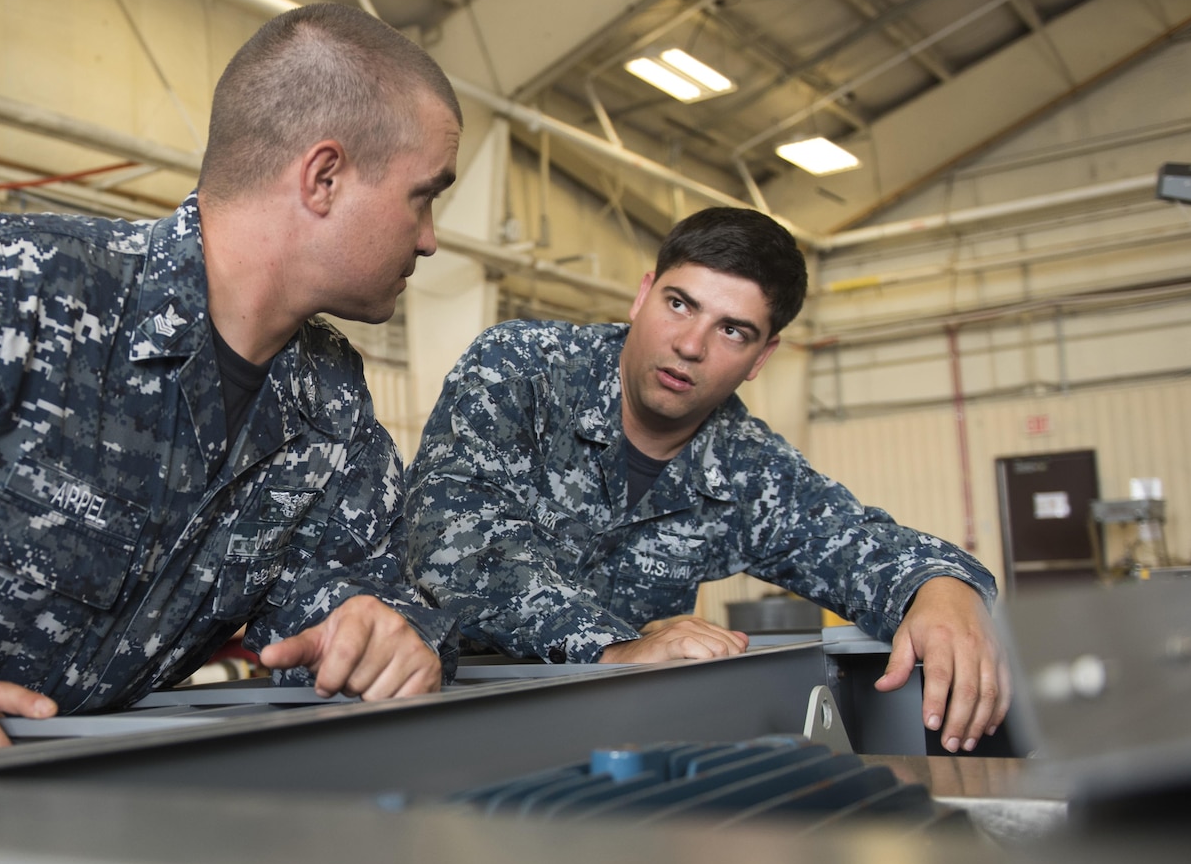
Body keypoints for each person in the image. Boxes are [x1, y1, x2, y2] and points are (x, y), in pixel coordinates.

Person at [0, 3, 458, 752]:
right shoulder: (7, 289)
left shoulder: (331, 408)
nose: (429, 239)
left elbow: (351, 595)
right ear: (324, 177)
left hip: (65, 818)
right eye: (422, 195)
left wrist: (377, 636)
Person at [406, 206, 1009, 753]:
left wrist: (941, 587)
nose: (691, 345)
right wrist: (617, 645)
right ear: (642, 295)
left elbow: (853, 541)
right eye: (679, 304)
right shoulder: (522, 367)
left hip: (611, 748)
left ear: (761, 358)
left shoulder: (745, 463)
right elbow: (452, 549)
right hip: (446, 716)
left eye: (732, 330)